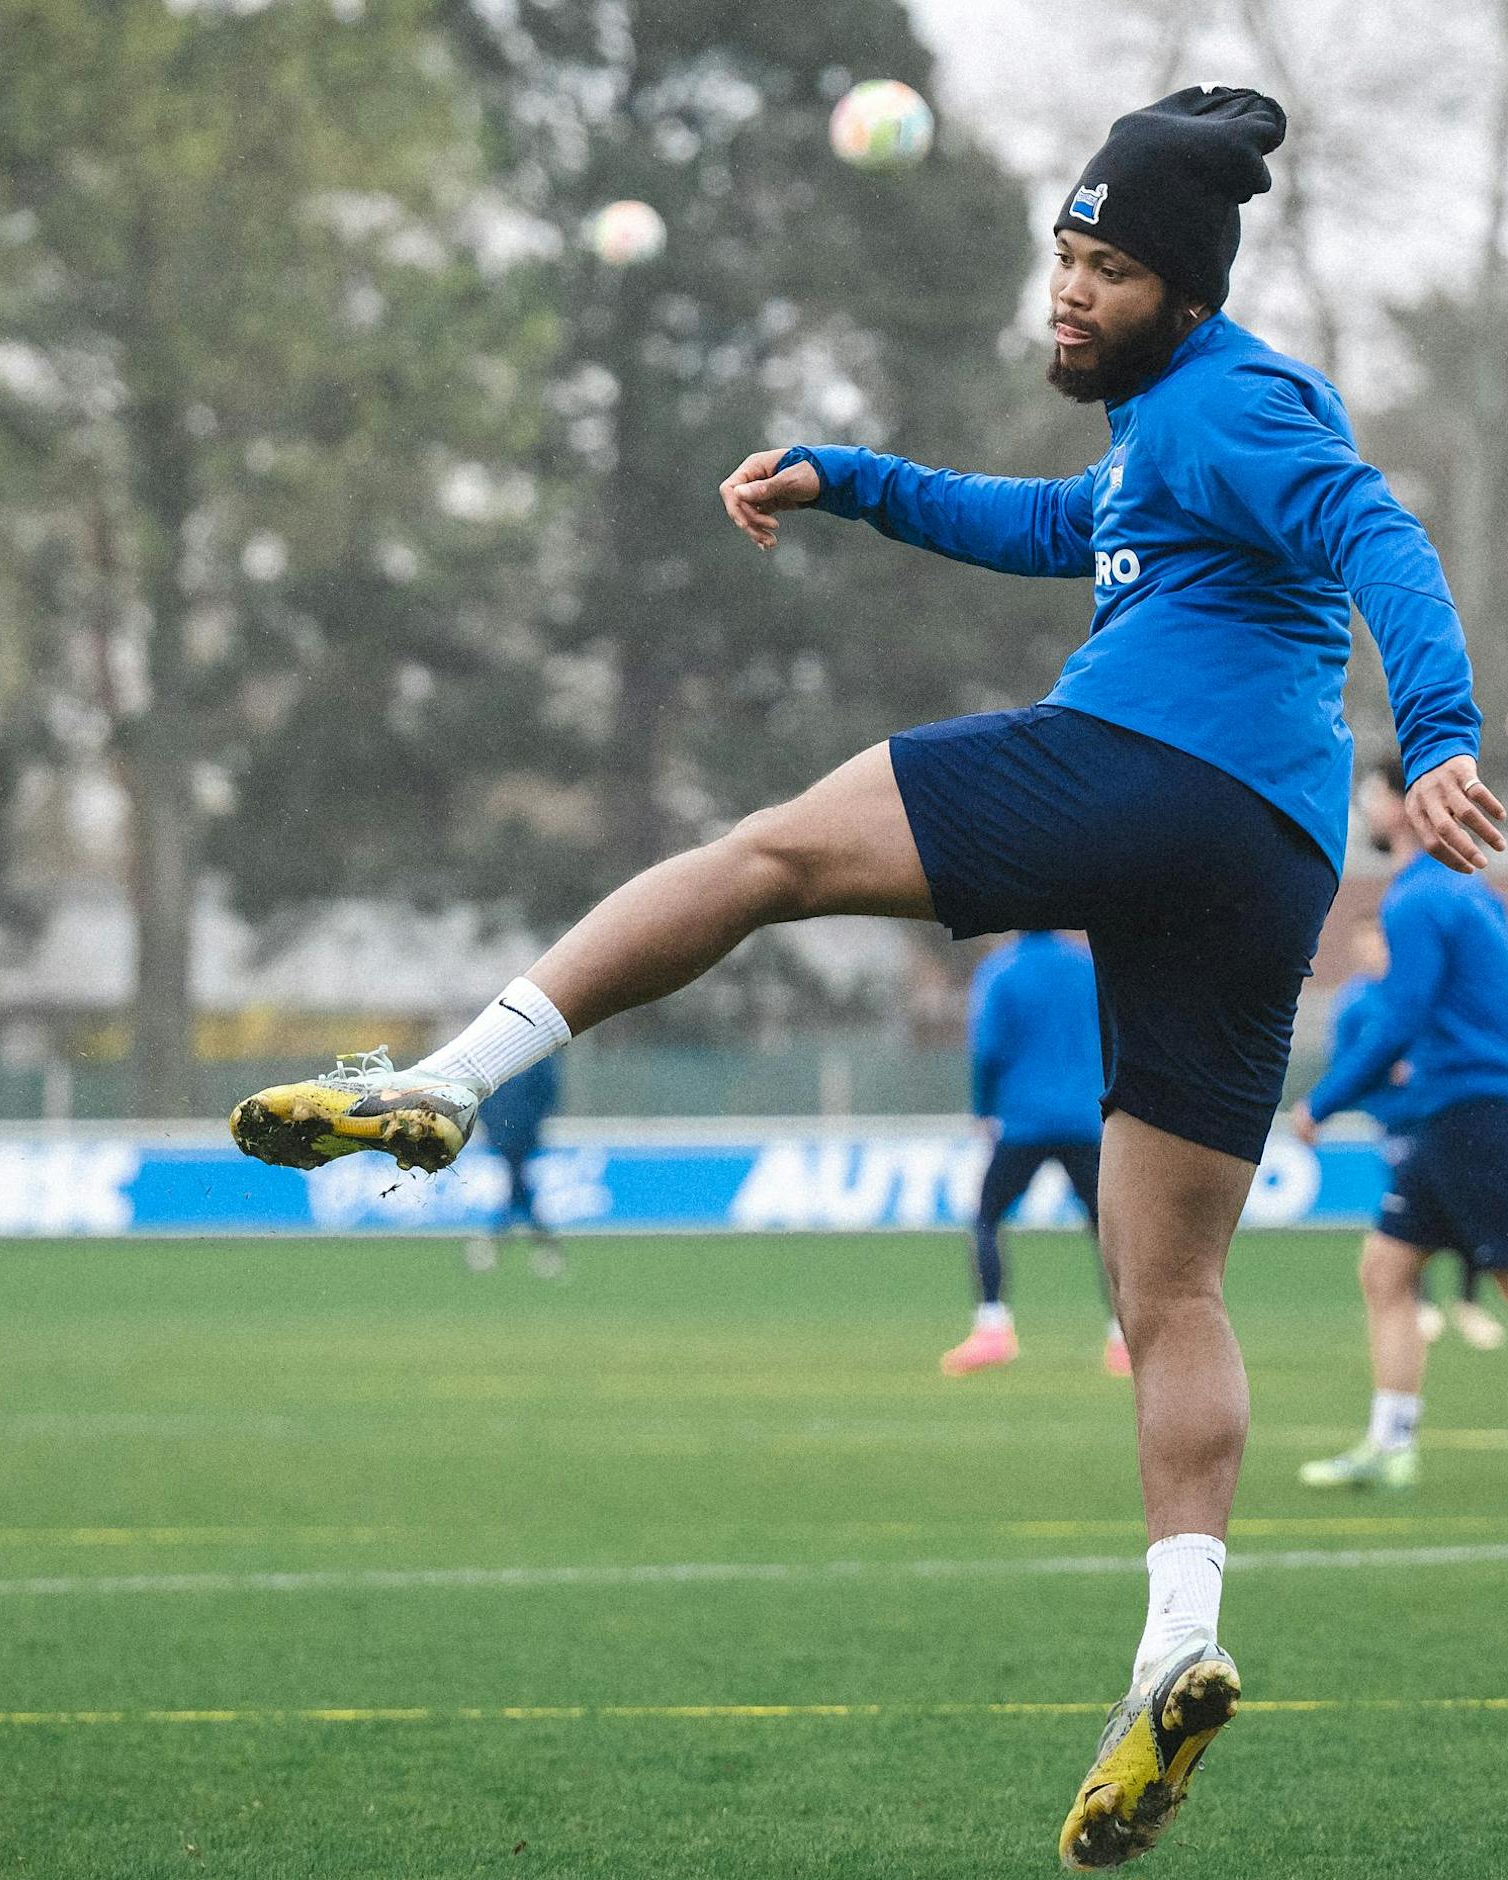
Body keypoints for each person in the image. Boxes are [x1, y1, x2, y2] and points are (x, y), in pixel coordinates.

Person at [231, 89, 1501, 1868]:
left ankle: (451, 1079)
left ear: (1186, 290)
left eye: (1110, 267)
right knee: (1170, 1294)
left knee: (764, 859)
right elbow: (1058, 532)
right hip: (1266, 861)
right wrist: (859, 484)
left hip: (1157, 764)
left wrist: (1441, 729)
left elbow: (1380, 529)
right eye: (1063, 257)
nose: (1070, 294)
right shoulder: (1167, 434)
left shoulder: (1235, 398)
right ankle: (1178, 1648)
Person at [1293, 758, 1508, 1490]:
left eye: (1371, 792)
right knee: (1386, 1271)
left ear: (1409, 804)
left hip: (1475, 1109)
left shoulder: (1418, 899)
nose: (1363, 804)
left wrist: (1320, 1101)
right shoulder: (1468, 890)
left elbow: (1399, 1020)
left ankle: (1392, 1444)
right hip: (1451, 1111)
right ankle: (1392, 1446)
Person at [945, 931, 1124, 1379]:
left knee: (987, 1217)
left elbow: (986, 1050)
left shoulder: (1002, 970)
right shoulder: (1088, 966)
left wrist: (984, 1109)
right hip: (1087, 1117)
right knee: (1111, 1229)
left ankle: (992, 1329)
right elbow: (1118, 1033)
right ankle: (1124, 1338)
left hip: (1023, 1121)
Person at [1329, 919, 1503, 1350]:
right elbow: (1349, 1063)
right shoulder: (1354, 1003)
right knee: (1400, 1241)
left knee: (1466, 1214)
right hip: (1399, 1124)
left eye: (1379, 945)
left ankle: (1466, 1304)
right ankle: (1424, 1304)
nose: (1373, 954)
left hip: (1451, 1117)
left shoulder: (1418, 986)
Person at [462, 1057, 565, 1278]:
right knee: (518, 1190)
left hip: (524, 1132)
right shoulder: (499, 1058)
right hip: (503, 1132)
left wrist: (531, 1118)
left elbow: (548, 1092)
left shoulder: (539, 1058)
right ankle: (544, 1245)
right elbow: (483, 1094)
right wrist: (493, 1123)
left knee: (517, 1188)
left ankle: (496, 1242)